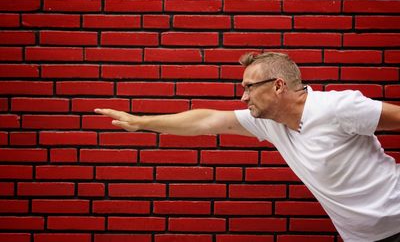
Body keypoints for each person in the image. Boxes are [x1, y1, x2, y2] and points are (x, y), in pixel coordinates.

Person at [95, 52, 400, 242]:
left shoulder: (336, 107)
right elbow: (206, 121)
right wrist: (141, 122)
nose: (243, 97)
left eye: (249, 88)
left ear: (278, 85)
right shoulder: (269, 122)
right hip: (364, 237)